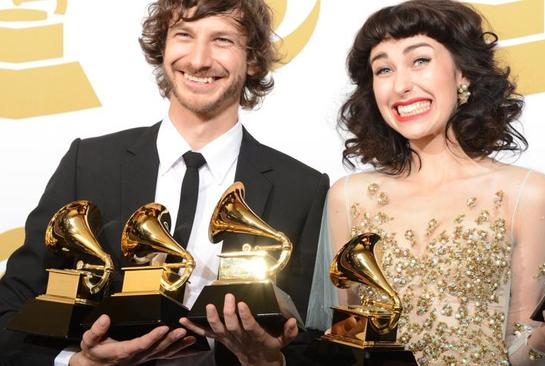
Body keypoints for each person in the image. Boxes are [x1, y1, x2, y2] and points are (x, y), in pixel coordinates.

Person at [0, 0, 328, 365]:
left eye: (222, 40)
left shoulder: (303, 188)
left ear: (252, 59)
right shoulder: (88, 163)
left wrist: (269, 362)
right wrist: (78, 363)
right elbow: (10, 310)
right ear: (163, 47)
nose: (199, 59)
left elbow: (311, 340)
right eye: (184, 35)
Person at [306, 1, 545, 365]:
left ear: (463, 74)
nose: (402, 85)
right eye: (384, 69)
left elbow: (520, 350)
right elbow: (349, 336)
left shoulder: (525, 194)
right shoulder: (349, 195)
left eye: (420, 60)